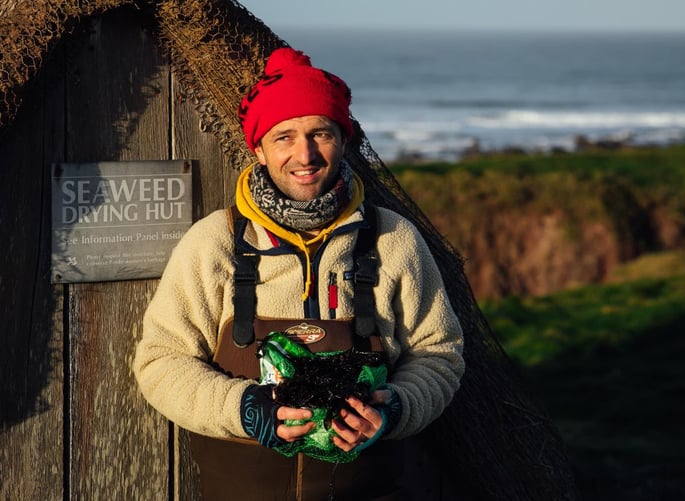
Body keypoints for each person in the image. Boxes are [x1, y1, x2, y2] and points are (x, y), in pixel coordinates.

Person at [133, 47, 464, 500]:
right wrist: (244, 409)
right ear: (259, 149)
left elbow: (438, 355)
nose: (304, 154)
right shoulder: (214, 242)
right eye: (284, 136)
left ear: (343, 140)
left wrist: (395, 409)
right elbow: (161, 362)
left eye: (320, 133)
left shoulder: (394, 240)